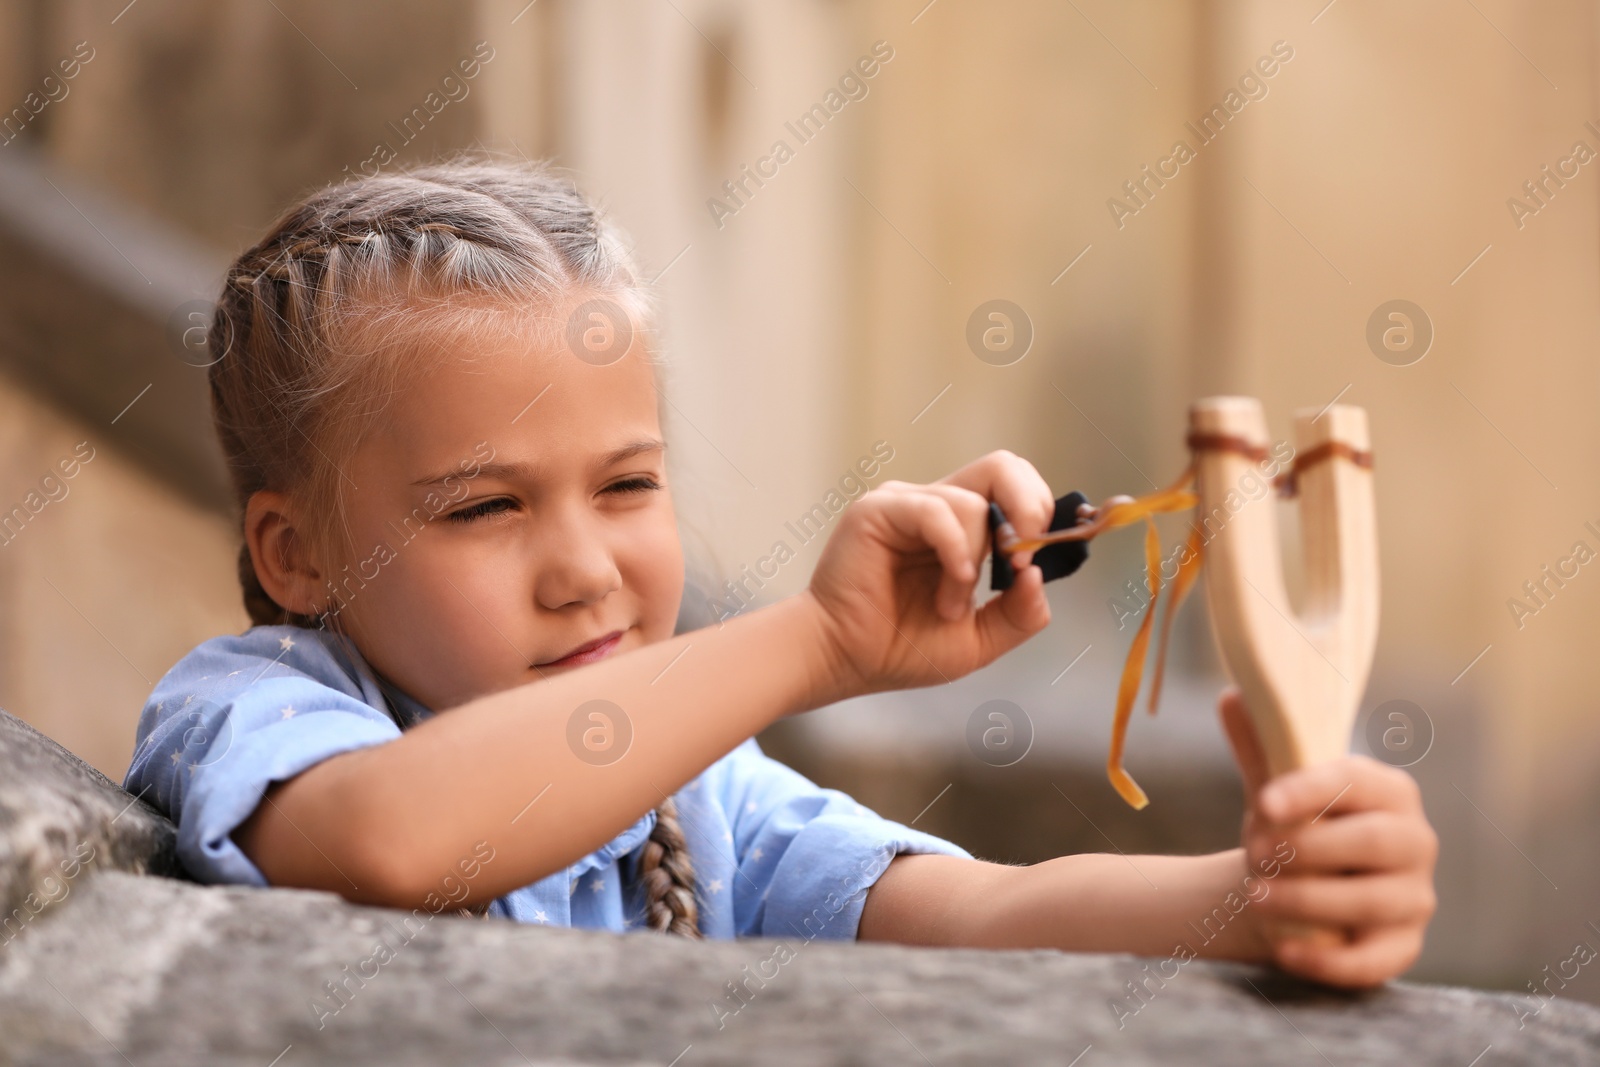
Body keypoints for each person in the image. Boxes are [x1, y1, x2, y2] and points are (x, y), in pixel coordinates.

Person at [124, 153, 1435, 989]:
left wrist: (1255, 896)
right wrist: (813, 643)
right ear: (296, 557)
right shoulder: (261, 710)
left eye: (629, 485)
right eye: (484, 508)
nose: (584, 570)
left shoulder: (697, 802)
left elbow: (987, 914)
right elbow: (394, 841)